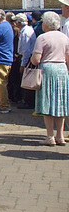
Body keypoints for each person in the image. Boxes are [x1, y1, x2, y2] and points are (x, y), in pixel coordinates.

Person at [30, 11, 69, 146]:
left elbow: (36, 60)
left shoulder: (42, 38)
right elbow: (68, 58)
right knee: (61, 103)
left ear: (46, 24)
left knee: (48, 103)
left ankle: (50, 136)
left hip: (47, 70)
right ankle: (61, 135)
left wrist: (31, 59)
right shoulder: (64, 37)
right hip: (62, 70)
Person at [14, 13, 36, 109]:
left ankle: (27, 102)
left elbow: (26, 50)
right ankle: (26, 100)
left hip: (26, 58)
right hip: (25, 57)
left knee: (26, 80)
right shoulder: (26, 30)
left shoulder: (26, 32)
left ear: (19, 22)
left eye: (16, 21)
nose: (15, 23)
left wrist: (23, 64)